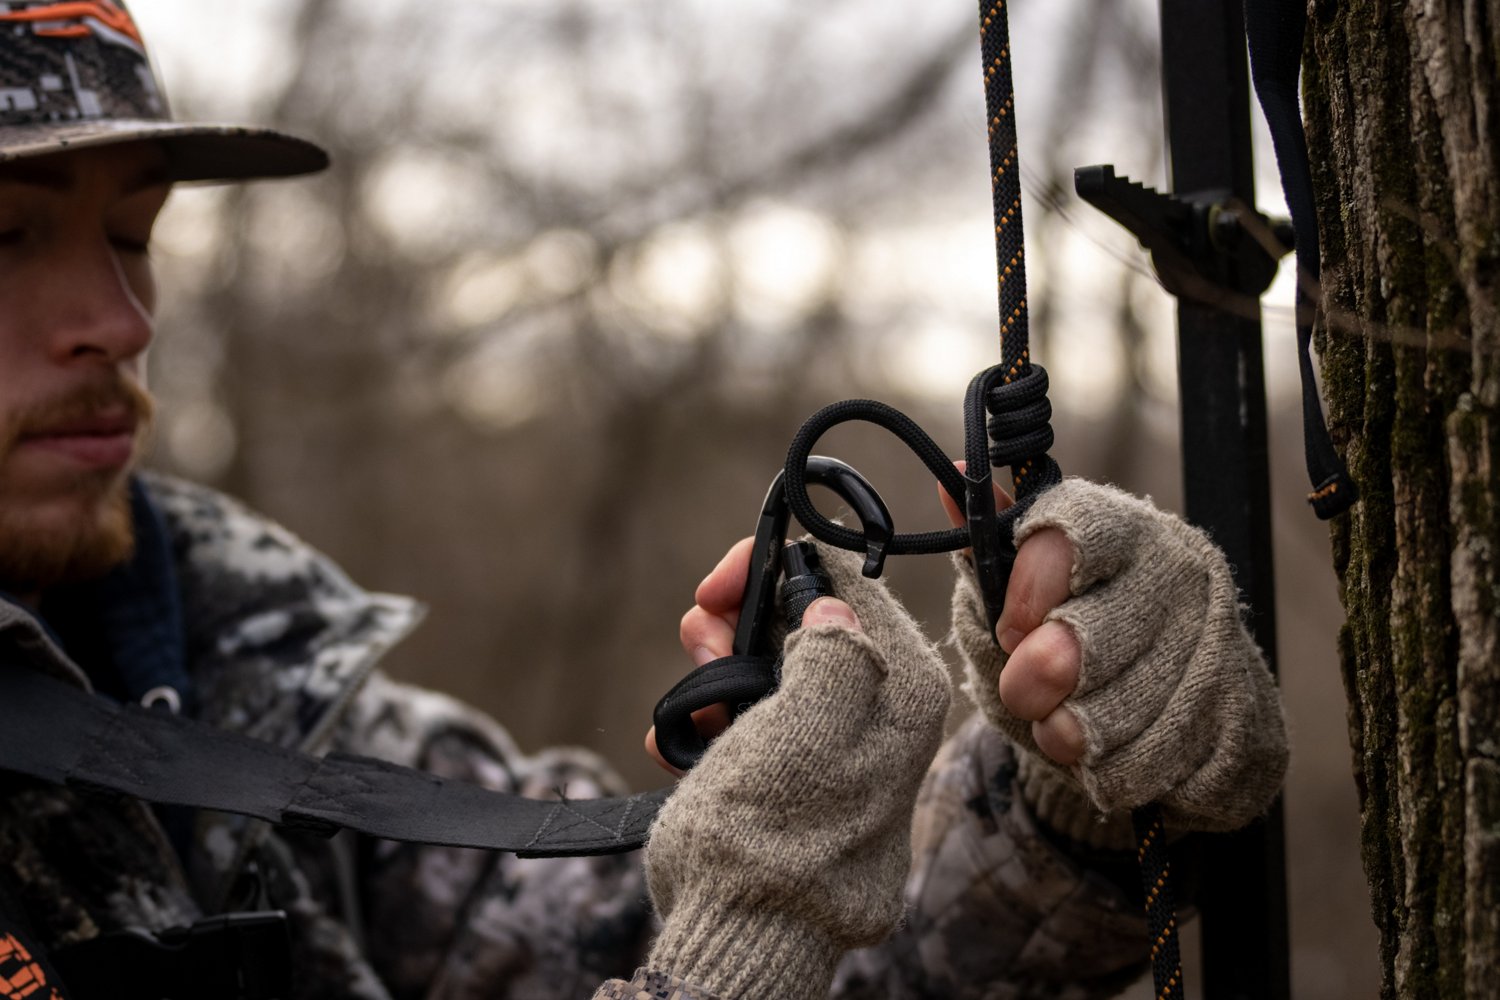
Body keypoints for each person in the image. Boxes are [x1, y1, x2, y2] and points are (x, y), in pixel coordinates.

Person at [0, 4, 1289, 999]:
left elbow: (667, 944)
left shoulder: (228, 664)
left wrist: (1061, 766)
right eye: (9, 234)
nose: (117, 322)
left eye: (135, 234)